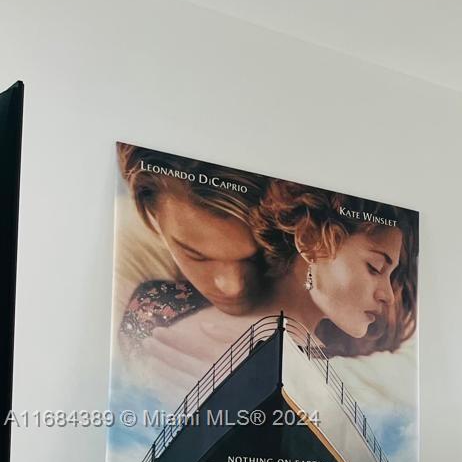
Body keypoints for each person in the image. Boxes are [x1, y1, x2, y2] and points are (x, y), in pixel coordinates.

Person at [137, 180, 418, 383]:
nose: (388, 296)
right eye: (375, 267)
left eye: (389, 274)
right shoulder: (169, 322)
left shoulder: (342, 364)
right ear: (309, 241)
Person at [115, 144, 275, 342]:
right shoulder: (125, 244)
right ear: (152, 215)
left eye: (255, 257)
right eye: (196, 255)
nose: (232, 287)